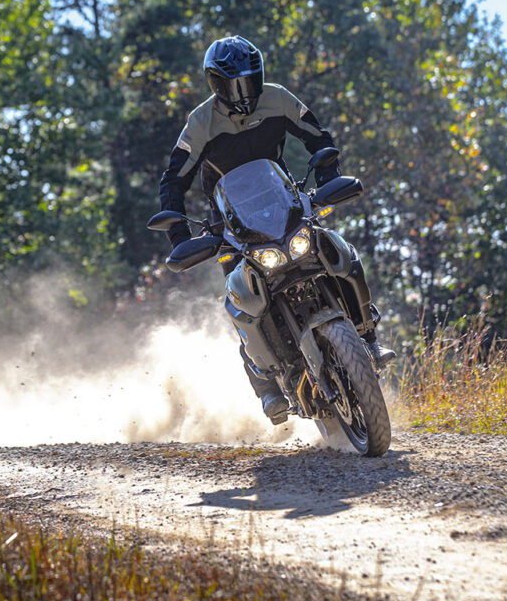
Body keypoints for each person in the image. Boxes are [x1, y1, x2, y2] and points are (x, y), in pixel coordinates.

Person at [158, 35, 395, 422]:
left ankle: (368, 335)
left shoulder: (279, 98)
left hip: (284, 204)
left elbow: (320, 138)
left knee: (341, 254)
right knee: (242, 299)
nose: (243, 91)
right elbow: (173, 180)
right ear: (215, 84)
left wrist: (328, 179)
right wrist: (181, 238)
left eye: (250, 80)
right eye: (232, 84)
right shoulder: (200, 122)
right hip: (231, 223)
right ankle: (267, 387)